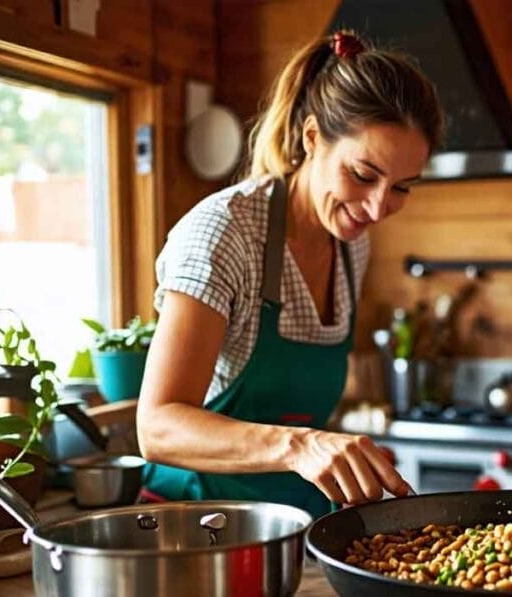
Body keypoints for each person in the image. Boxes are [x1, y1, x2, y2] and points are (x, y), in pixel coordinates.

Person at [136, 31, 442, 516]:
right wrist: (301, 446)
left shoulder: (350, 245)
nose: (379, 207)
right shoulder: (224, 234)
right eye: (363, 175)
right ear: (313, 138)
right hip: (195, 527)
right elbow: (157, 427)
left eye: (402, 187)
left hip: (292, 526)